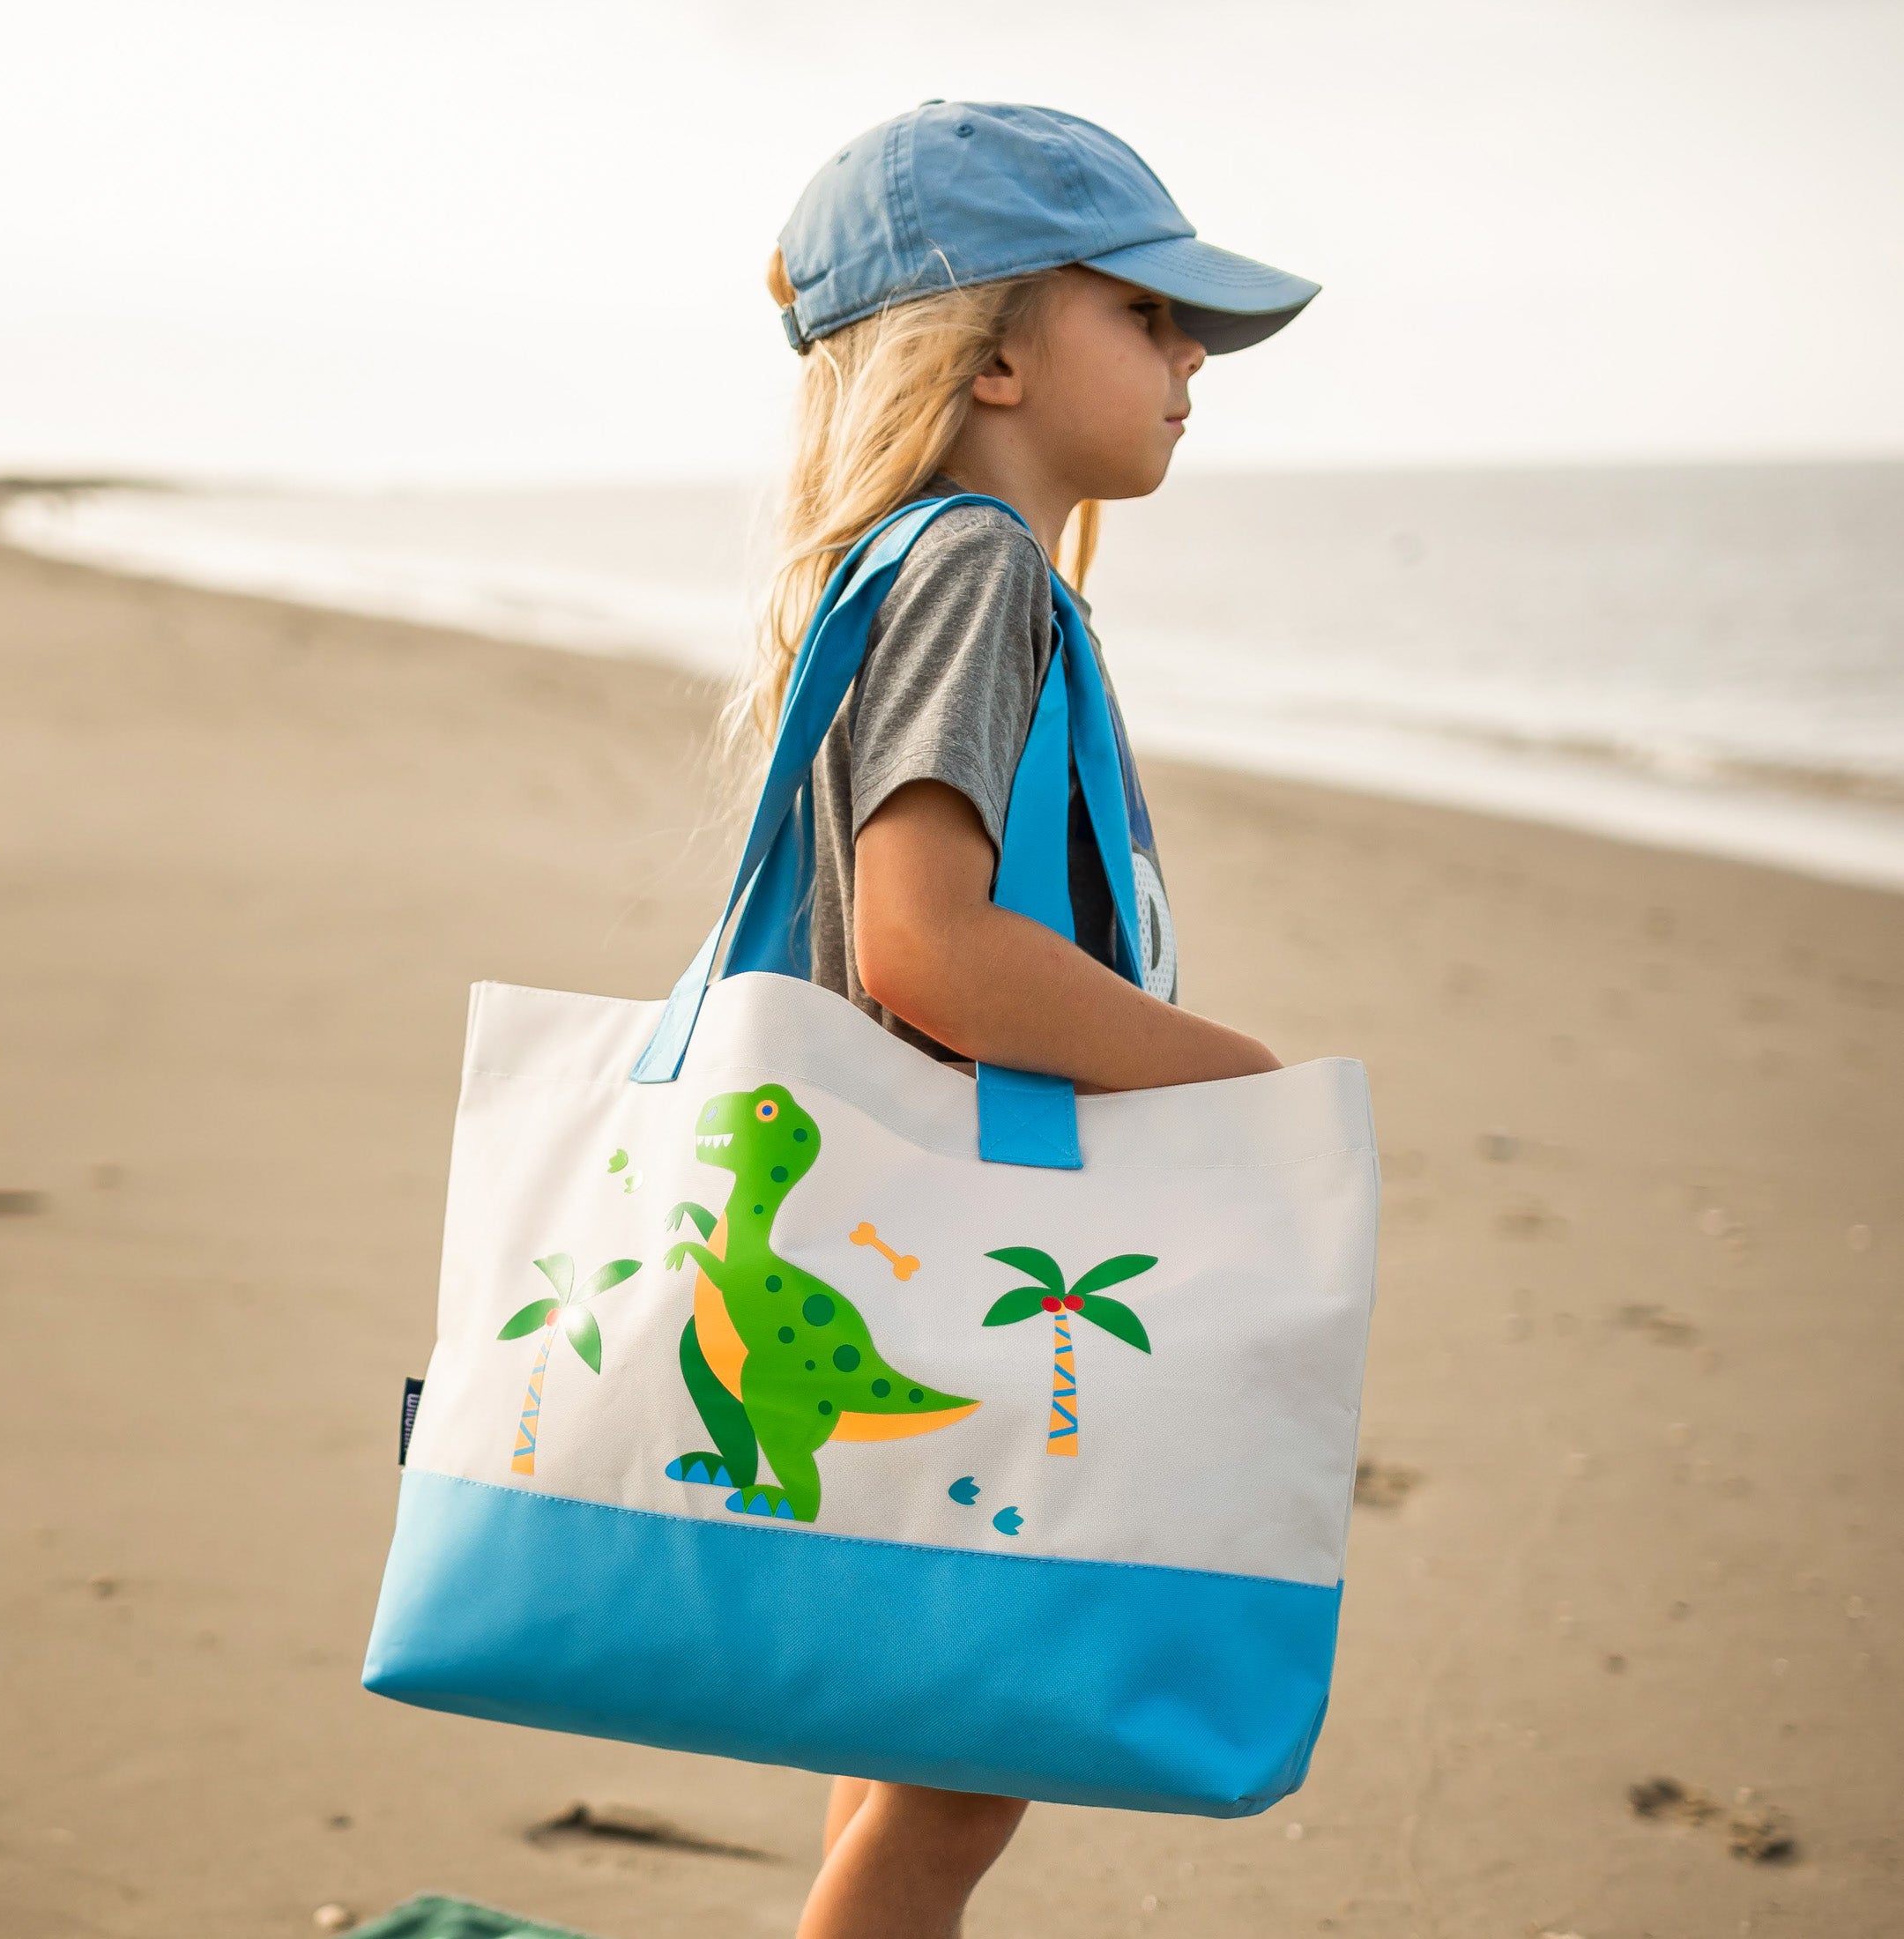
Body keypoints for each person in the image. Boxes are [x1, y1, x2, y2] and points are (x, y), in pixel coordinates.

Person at [735, 100, 1320, 1939]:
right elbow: (922, 942)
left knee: (907, 1726)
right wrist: (1238, 1081)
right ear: (988, 347)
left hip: (888, 1222)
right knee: (961, 1755)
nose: (1190, 363)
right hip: (940, 1241)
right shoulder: (975, 563)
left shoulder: (905, 568)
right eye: (1148, 315)